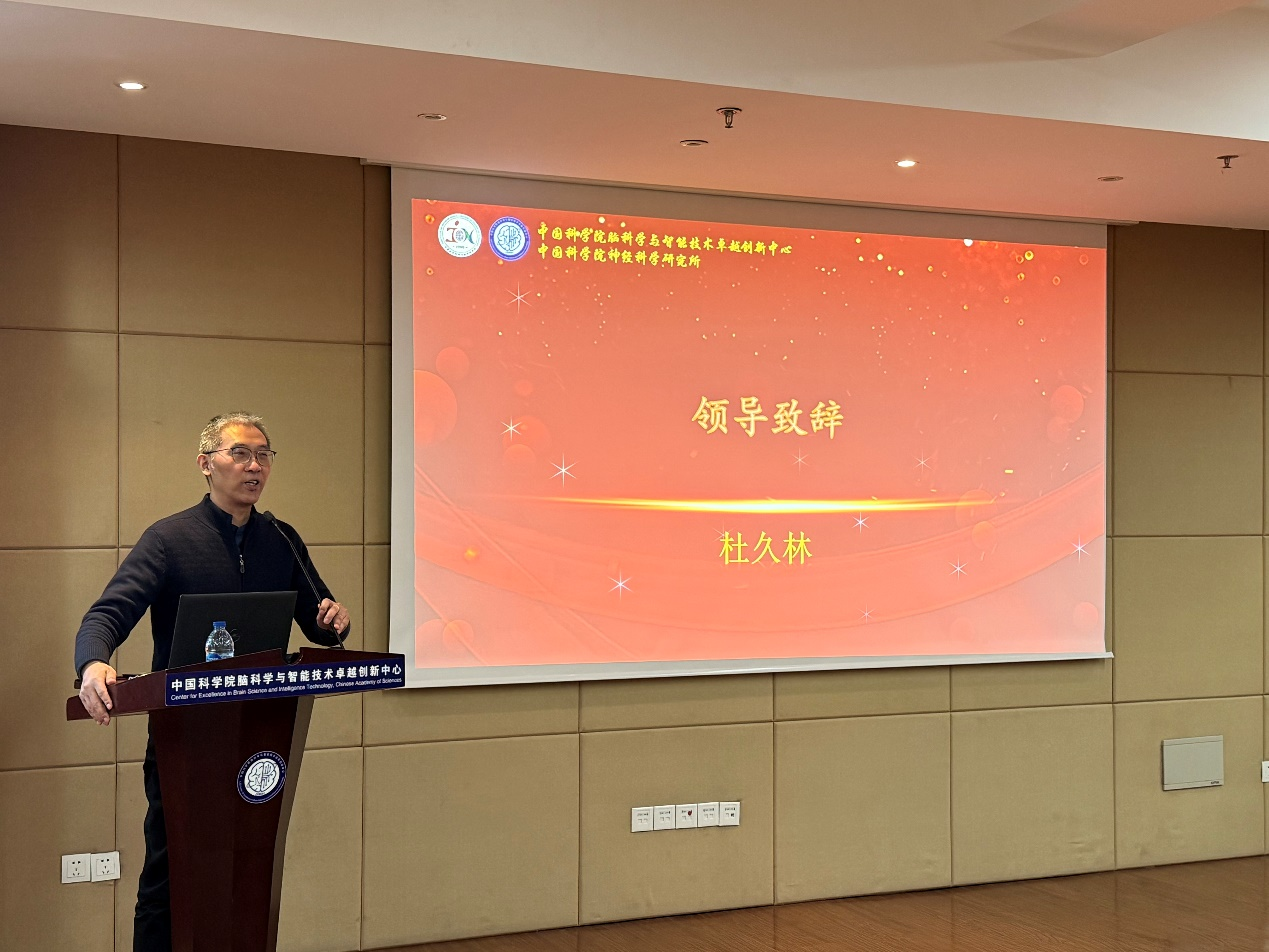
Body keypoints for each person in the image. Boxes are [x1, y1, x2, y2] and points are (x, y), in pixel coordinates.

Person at [74, 412, 351, 952]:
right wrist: (92, 663)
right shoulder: (169, 539)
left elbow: (317, 619)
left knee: (249, 870)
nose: (255, 466)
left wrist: (331, 622)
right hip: (186, 738)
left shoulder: (281, 539)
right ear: (206, 464)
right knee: (170, 874)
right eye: (241, 453)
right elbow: (106, 614)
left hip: (260, 737)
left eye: (264, 455)